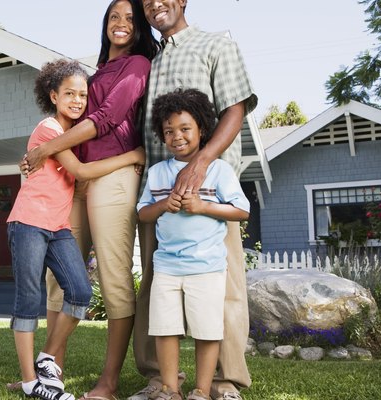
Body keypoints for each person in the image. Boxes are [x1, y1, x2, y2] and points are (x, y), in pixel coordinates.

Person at [22, 1, 159, 399]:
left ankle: (109, 383)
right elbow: (67, 119)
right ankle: (48, 375)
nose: (121, 24)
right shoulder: (94, 73)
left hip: (114, 177)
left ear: (139, 29)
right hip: (77, 180)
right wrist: (43, 149)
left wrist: (46, 151)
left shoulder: (137, 66)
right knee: (58, 280)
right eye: (114, 16)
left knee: (115, 279)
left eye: (130, 18)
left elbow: (106, 119)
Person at [130, 1, 258, 400]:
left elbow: (234, 109)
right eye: (146, 0)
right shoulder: (147, 61)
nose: (155, 4)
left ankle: (223, 382)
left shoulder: (215, 45)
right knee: (156, 287)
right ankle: (161, 380)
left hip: (210, 196)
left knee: (224, 292)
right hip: (159, 196)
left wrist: (201, 163)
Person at [136, 88, 250, 400]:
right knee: (165, 329)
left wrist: (203, 207)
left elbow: (241, 210)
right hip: (167, 268)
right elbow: (143, 213)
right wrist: (164, 205)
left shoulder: (218, 170)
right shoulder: (158, 173)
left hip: (206, 267)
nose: (177, 136)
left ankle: (201, 389)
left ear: (202, 128)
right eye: (169, 131)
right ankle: (170, 389)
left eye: (185, 128)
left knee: (207, 331)